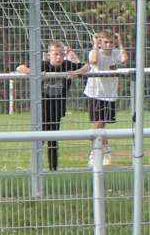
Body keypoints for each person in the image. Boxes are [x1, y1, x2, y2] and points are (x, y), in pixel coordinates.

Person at [16, 40, 84, 170]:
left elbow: (88, 67)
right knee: (40, 137)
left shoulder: (67, 65)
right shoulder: (43, 65)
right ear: (48, 55)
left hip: (57, 108)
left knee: (53, 139)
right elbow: (20, 68)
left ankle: (53, 168)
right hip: (42, 108)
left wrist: (76, 73)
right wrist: (36, 74)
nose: (59, 57)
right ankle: (35, 164)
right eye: (55, 54)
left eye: (61, 54)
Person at [84, 30, 125, 167]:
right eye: (106, 42)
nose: (108, 45)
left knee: (101, 126)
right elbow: (94, 60)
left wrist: (120, 43)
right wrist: (95, 44)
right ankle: (96, 154)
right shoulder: (94, 52)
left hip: (109, 94)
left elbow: (124, 59)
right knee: (97, 125)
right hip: (94, 93)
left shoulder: (115, 54)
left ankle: (106, 151)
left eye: (111, 42)